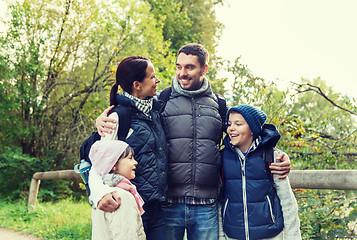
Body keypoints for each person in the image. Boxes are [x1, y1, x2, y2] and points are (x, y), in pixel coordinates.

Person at [95, 44, 291, 240]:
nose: (182, 73)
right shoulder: (160, 101)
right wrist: (100, 122)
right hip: (167, 205)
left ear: (204, 69)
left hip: (206, 206)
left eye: (189, 67)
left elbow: (248, 131)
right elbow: (101, 144)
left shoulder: (219, 105)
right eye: (178, 67)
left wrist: (278, 154)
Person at [88, 56, 168, 240]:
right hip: (130, 207)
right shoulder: (117, 118)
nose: (158, 81)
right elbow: (98, 167)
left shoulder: (155, 112)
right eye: (152, 77)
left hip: (157, 208)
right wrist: (99, 194)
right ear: (137, 85)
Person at [221, 105, 301, 240]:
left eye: (238, 124)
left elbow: (287, 201)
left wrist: (293, 236)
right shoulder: (222, 158)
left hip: (269, 235)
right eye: (229, 124)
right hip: (233, 235)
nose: (231, 128)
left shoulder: (271, 156)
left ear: (252, 129)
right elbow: (219, 201)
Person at [89, 140, 146, 240]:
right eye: (130, 158)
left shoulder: (100, 196)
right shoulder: (121, 196)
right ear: (113, 165)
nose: (135, 162)